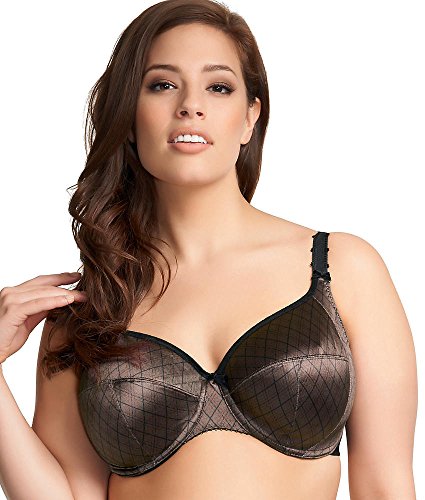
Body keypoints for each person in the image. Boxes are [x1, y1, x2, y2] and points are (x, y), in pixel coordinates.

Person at [0, 0, 418, 499]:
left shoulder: (339, 269)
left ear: (250, 118)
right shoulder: (90, 309)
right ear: (128, 119)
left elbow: (385, 484)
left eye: (218, 87)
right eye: (162, 85)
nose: (190, 106)